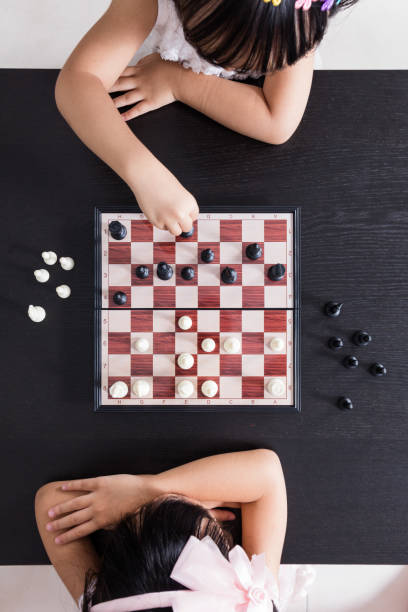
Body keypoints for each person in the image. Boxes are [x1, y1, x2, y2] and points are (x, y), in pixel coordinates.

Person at [55, 0, 358, 236]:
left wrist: (180, 82)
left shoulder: (293, 17)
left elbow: (277, 121)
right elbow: (78, 81)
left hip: (167, 78)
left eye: (250, 64)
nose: (232, 69)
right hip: (157, 84)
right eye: (216, 55)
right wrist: (143, 172)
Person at [35, 449, 315, 610]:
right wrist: (151, 493)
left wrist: (151, 492)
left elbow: (52, 504)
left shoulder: (109, 603)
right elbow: (265, 473)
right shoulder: (252, 604)